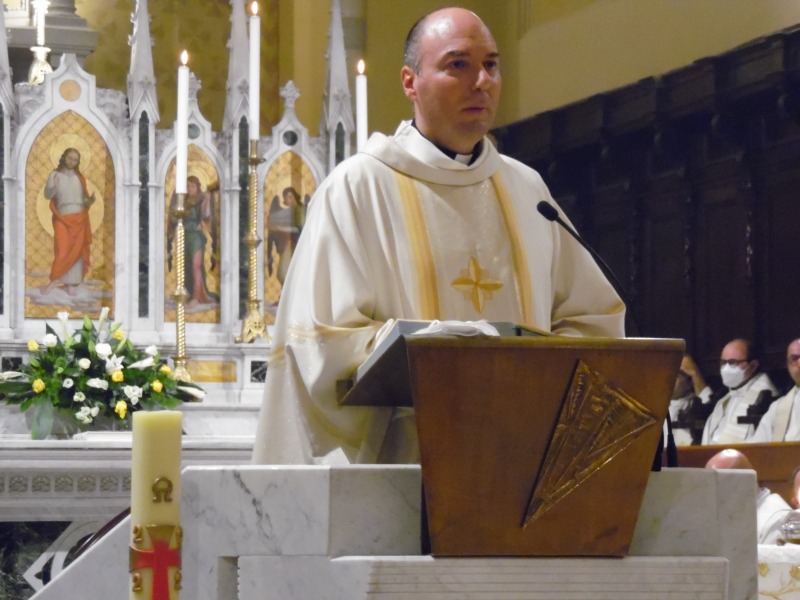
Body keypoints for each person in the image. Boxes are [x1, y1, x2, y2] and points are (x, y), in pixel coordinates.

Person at [251, 7, 625, 465]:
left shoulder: (526, 190)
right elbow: (318, 344)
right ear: (411, 82)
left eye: (491, 64)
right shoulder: (359, 188)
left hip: (524, 457)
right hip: (404, 470)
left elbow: (594, 320)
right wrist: (433, 348)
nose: (483, 81)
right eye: (459, 64)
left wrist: (529, 368)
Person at [705, 448, 792, 544]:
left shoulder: (778, 518)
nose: (712, 493)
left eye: (719, 484)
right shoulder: (727, 511)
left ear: (747, 480)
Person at [41, 147, 96, 296]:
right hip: (62, 216)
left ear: (78, 162)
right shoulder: (55, 174)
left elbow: (83, 199)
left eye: (75, 160)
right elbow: (47, 195)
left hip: (79, 216)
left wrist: (89, 201)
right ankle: (53, 281)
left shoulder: (80, 178)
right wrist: (53, 186)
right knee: (62, 249)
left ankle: (71, 283)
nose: (72, 161)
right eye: (70, 158)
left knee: (77, 251)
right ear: (64, 157)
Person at [701, 338, 777, 445]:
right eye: (723, 363)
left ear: (753, 365)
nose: (726, 368)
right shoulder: (725, 399)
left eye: (733, 363)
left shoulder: (765, 397)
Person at [168, 175, 219, 310]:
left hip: (196, 236)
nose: (189, 188)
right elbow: (174, 218)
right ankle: (196, 294)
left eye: (192, 186)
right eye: (188, 186)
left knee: (196, 265)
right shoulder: (183, 201)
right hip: (185, 237)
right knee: (188, 266)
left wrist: (207, 201)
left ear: (197, 187)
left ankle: (196, 297)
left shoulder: (201, 199)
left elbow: (206, 216)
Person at [750, 338, 800, 443]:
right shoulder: (777, 407)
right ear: (788, 365)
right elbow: (758, 446)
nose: (799, 363)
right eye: (794, 358)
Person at [266, 186, 306, 285]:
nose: (288, 199)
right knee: (282, 273)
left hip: (297, 244)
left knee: (284, 272)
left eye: (290, 196)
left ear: (295, 197)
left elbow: (299, 229)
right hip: (289, 244)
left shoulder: (300, 210)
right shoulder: (289, 212)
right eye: (286, 197)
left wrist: (281, 229)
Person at [667, 354, 709, 446]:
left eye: (676, 374)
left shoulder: (697, 406)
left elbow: (710, 409)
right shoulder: (655, 406)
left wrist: (695, 373)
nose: (669, 378)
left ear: (690, 381)